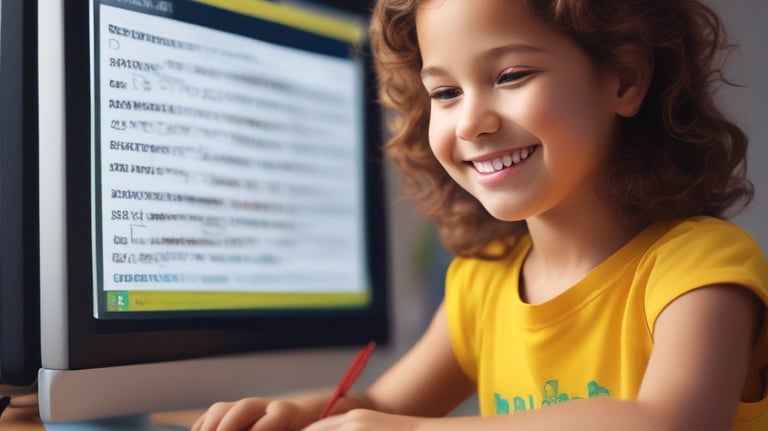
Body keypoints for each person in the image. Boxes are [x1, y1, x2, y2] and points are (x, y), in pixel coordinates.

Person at [192, 0, 768, 430]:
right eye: (445, 94)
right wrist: (293, 413)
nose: (470, 123)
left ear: (625, 78)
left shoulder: (702, 265)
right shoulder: (481, 282)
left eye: (511, 76)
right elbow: (387, 407)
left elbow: (672, 421)